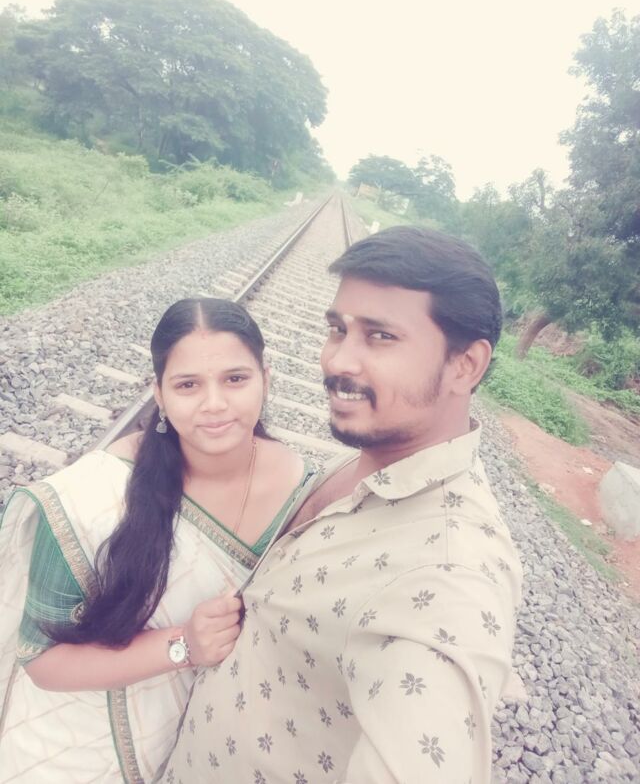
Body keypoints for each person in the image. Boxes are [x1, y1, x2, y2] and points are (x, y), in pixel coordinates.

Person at [160, 226, 523, 784]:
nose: (338, 360)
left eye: (380, 336)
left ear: (465, 366)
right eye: (338, 329)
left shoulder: (451, 574)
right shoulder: (372, 462)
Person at [0, 298, 312, 783]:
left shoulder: (302, 484)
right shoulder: (91, 495)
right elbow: (41, 659)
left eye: (235, 379)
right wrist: (184, 645)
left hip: (212, 750)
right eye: (188, 385)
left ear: (266, 380)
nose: (214, 403)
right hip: (79, 750)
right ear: (159, 395)